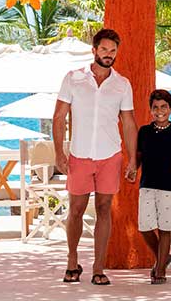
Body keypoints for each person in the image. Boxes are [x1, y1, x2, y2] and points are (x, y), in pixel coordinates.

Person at [53, 28, 137, 287]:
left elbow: (129, 123)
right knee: (76, 210)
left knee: (103, 210)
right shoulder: (73, 78)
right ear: (94, 50)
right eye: (104, 50)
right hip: (79, 155)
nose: (109, 55)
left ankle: (98, 268)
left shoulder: (122, 84)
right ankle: (72, 261)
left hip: (110, 155)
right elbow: (58, 117)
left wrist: (133, 159)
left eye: (113, 51)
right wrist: (59, 152)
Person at [135, 89, 171, 285]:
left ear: (170, 108)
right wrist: (132, 169)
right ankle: (164, 256)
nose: (159, 111)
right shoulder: (144, 132)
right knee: (145, 227)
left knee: (165, 229)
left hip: (169, 187)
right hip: (147, 186)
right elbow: (138, 157)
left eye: (163, 107)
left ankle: (160, 270)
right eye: (155, 107)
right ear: (151, 110)